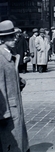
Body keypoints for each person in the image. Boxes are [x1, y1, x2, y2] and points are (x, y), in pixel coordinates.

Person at [0, 20, 29, 152]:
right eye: (11, 37)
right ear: (2, 39)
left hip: (15, 105)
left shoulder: (9, 54)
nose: (14, 39)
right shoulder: (1, 58)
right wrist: (4, 113)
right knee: (11, 144)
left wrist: (19, 81)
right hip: (9, 110)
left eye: (15, 36)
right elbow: (0, 86)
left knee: (19, 143)